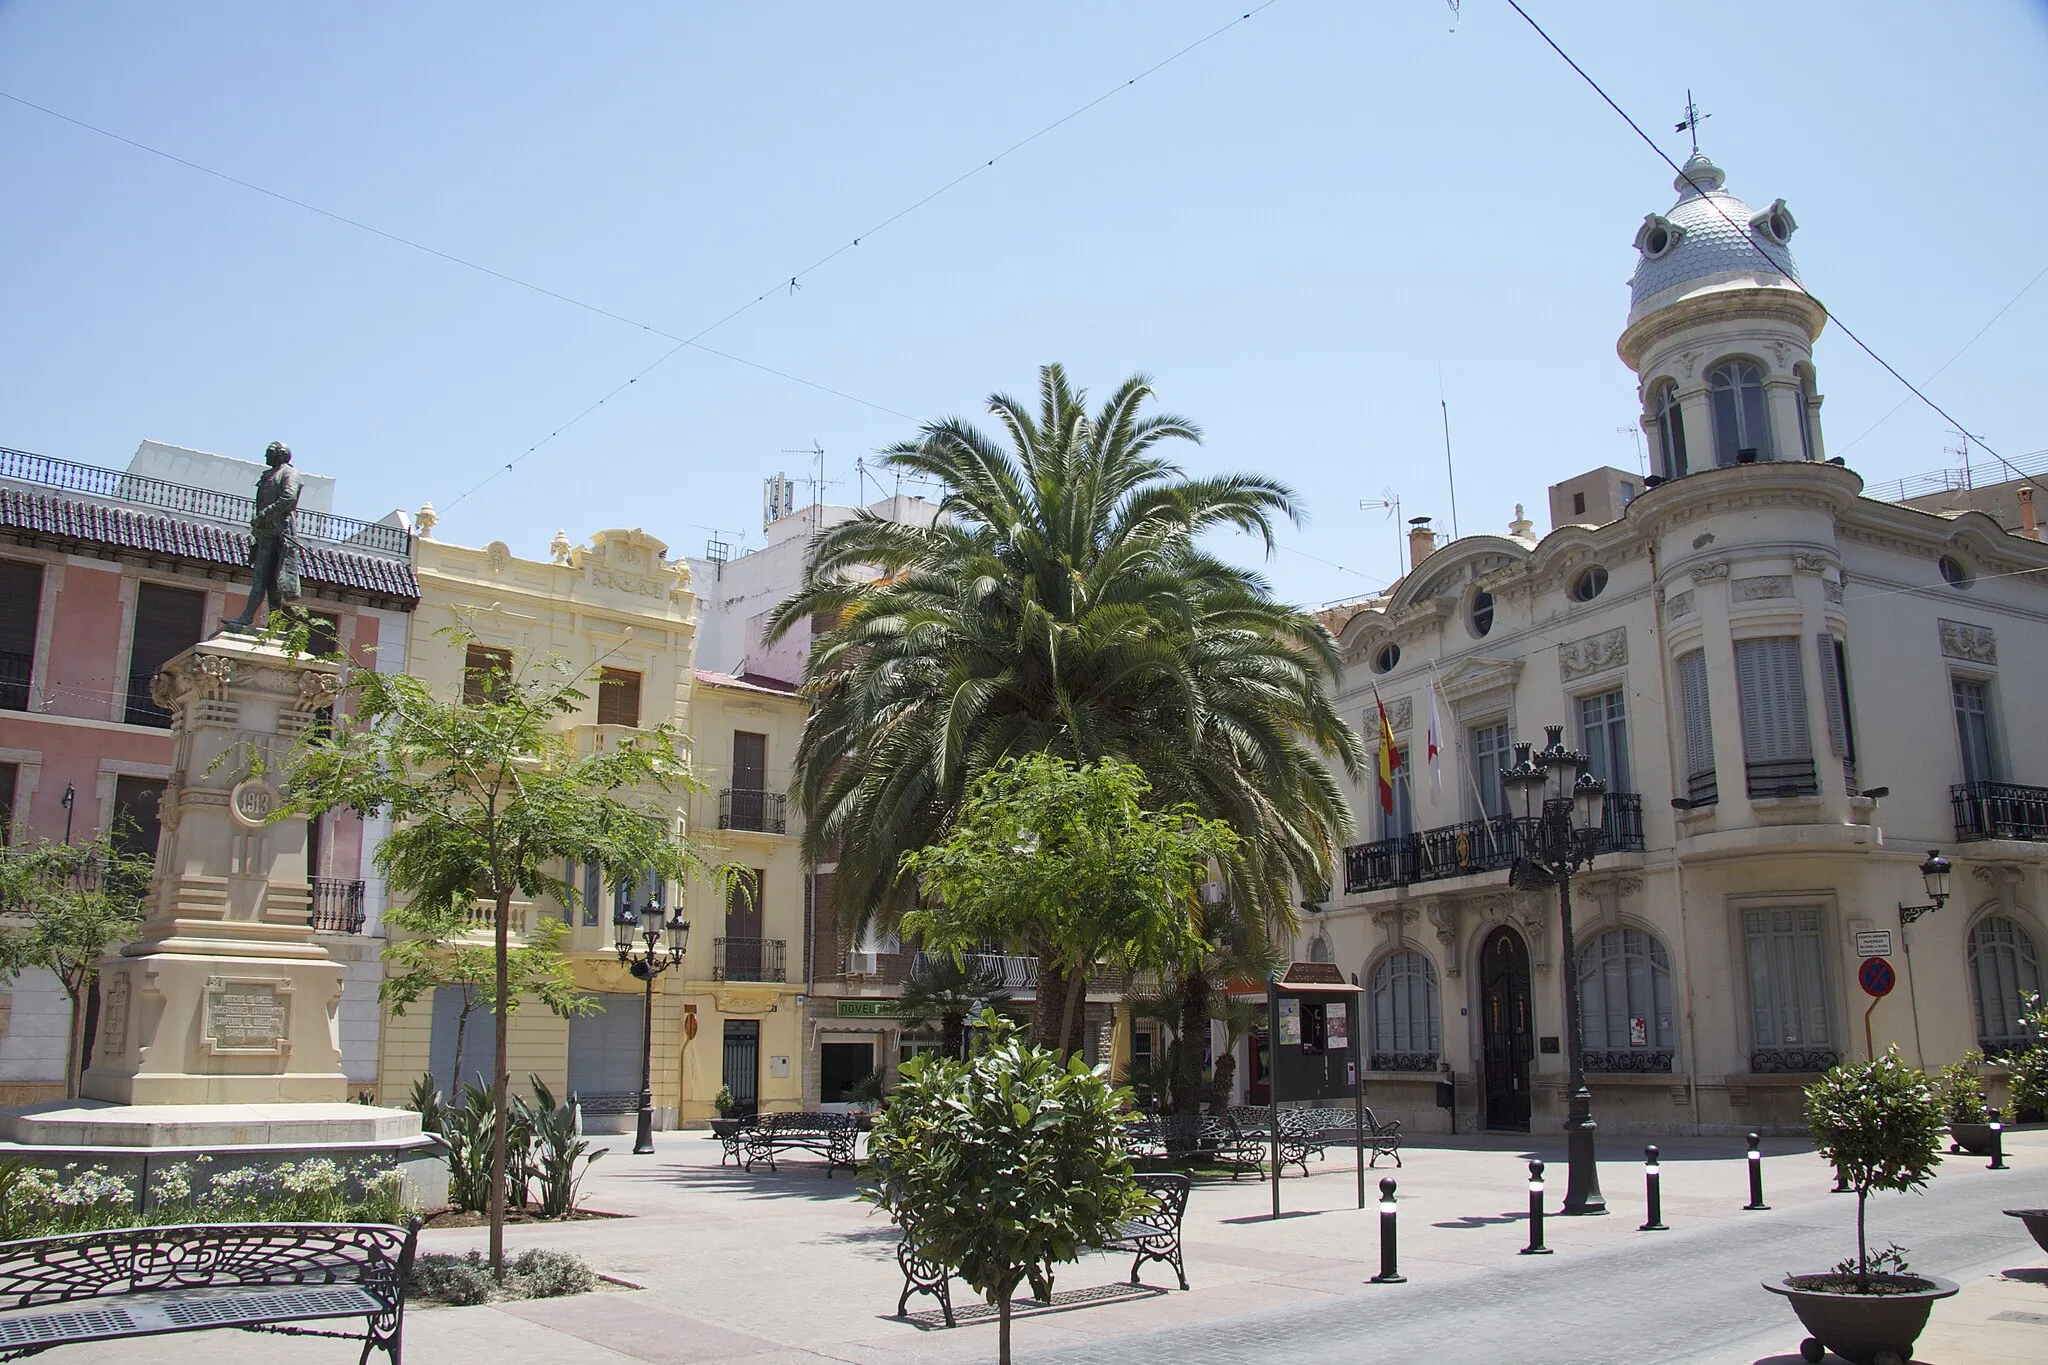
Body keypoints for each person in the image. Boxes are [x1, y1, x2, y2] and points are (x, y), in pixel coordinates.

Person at [221, 441, 303, 632]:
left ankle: (248, 617)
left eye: (269, 453)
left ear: (280, 455)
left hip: (279, 533)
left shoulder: (290, 473)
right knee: (269, 580)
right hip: (266, 533)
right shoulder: (270, 474)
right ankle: (274, 625)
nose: (265, 457)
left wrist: (265, 515)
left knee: (267, 578)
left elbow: (288, 498)